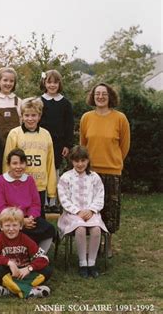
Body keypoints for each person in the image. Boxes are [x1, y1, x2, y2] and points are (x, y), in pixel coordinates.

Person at [80, 82, 130, 257]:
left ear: (110, 97)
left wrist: (114, 161)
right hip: (90, 172)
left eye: (104, 94)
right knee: (91, 209)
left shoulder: (120, 118)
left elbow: (124, 146)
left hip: (112, 171)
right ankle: (91, 243)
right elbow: (83, 145)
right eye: (97, 94)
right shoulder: (86, 117)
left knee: (110, 210)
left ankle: (107, 244)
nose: (100, 97)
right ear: (93, 97)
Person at [58, 145, 108, 278]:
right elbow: (64, 198)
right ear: (72, 161)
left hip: (91, 212)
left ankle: (91, 263)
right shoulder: (65, 177)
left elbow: (100, 195)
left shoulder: (94, 177)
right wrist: (77, 211)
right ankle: (82, 263)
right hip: (72, 214)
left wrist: (92, 210)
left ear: (87, 161)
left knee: (96, 229)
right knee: (79, 229)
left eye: (83, 161)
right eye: (76, 161)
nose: (80, 164)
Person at [0, 148, 55, 253]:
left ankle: (39, 256)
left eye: (22, 163)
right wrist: (21, 220)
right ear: (8, 164)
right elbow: (0, 207)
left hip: (29, 218)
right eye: (15, 163)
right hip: (9, 218)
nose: (18, 167)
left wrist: (31, 218)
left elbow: (35, 203)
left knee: (49, 229)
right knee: (19, 231)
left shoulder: (29, 180)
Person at [3, 97, 56, 218]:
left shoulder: (46, 134)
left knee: (37, 218)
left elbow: (50, 162)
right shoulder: (14, 134)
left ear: (39, 116)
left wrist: (51, 189)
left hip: (40, 184)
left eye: (34, 115)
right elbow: (7, 161)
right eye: (27, 115)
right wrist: (7, 184)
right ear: (22, 116)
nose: (30, 119)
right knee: (19, 217)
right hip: (19, 183)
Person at [0, 207, 52, 299]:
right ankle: (29, 291)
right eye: (7, 225)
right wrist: (9, 263)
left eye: (15, 225)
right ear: (1, 226)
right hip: (8, 272)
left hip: (24, 273)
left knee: (47, 269)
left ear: (20, 226)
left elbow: (44, 258)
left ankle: (9, 290)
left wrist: (29, 268)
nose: (11, 229)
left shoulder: (25, 239)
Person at [39, 70, 74, 213]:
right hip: (41, 142)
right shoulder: (39, 101)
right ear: (44, 83)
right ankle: (44, 201)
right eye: (49, 82)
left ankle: (53, 201)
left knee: (55, 170)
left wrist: (67, 144)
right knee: (43, 170)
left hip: (59, 143)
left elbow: (69, 125)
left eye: (55, 82)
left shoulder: (65, 103)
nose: (52, 85)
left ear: (59, 84)